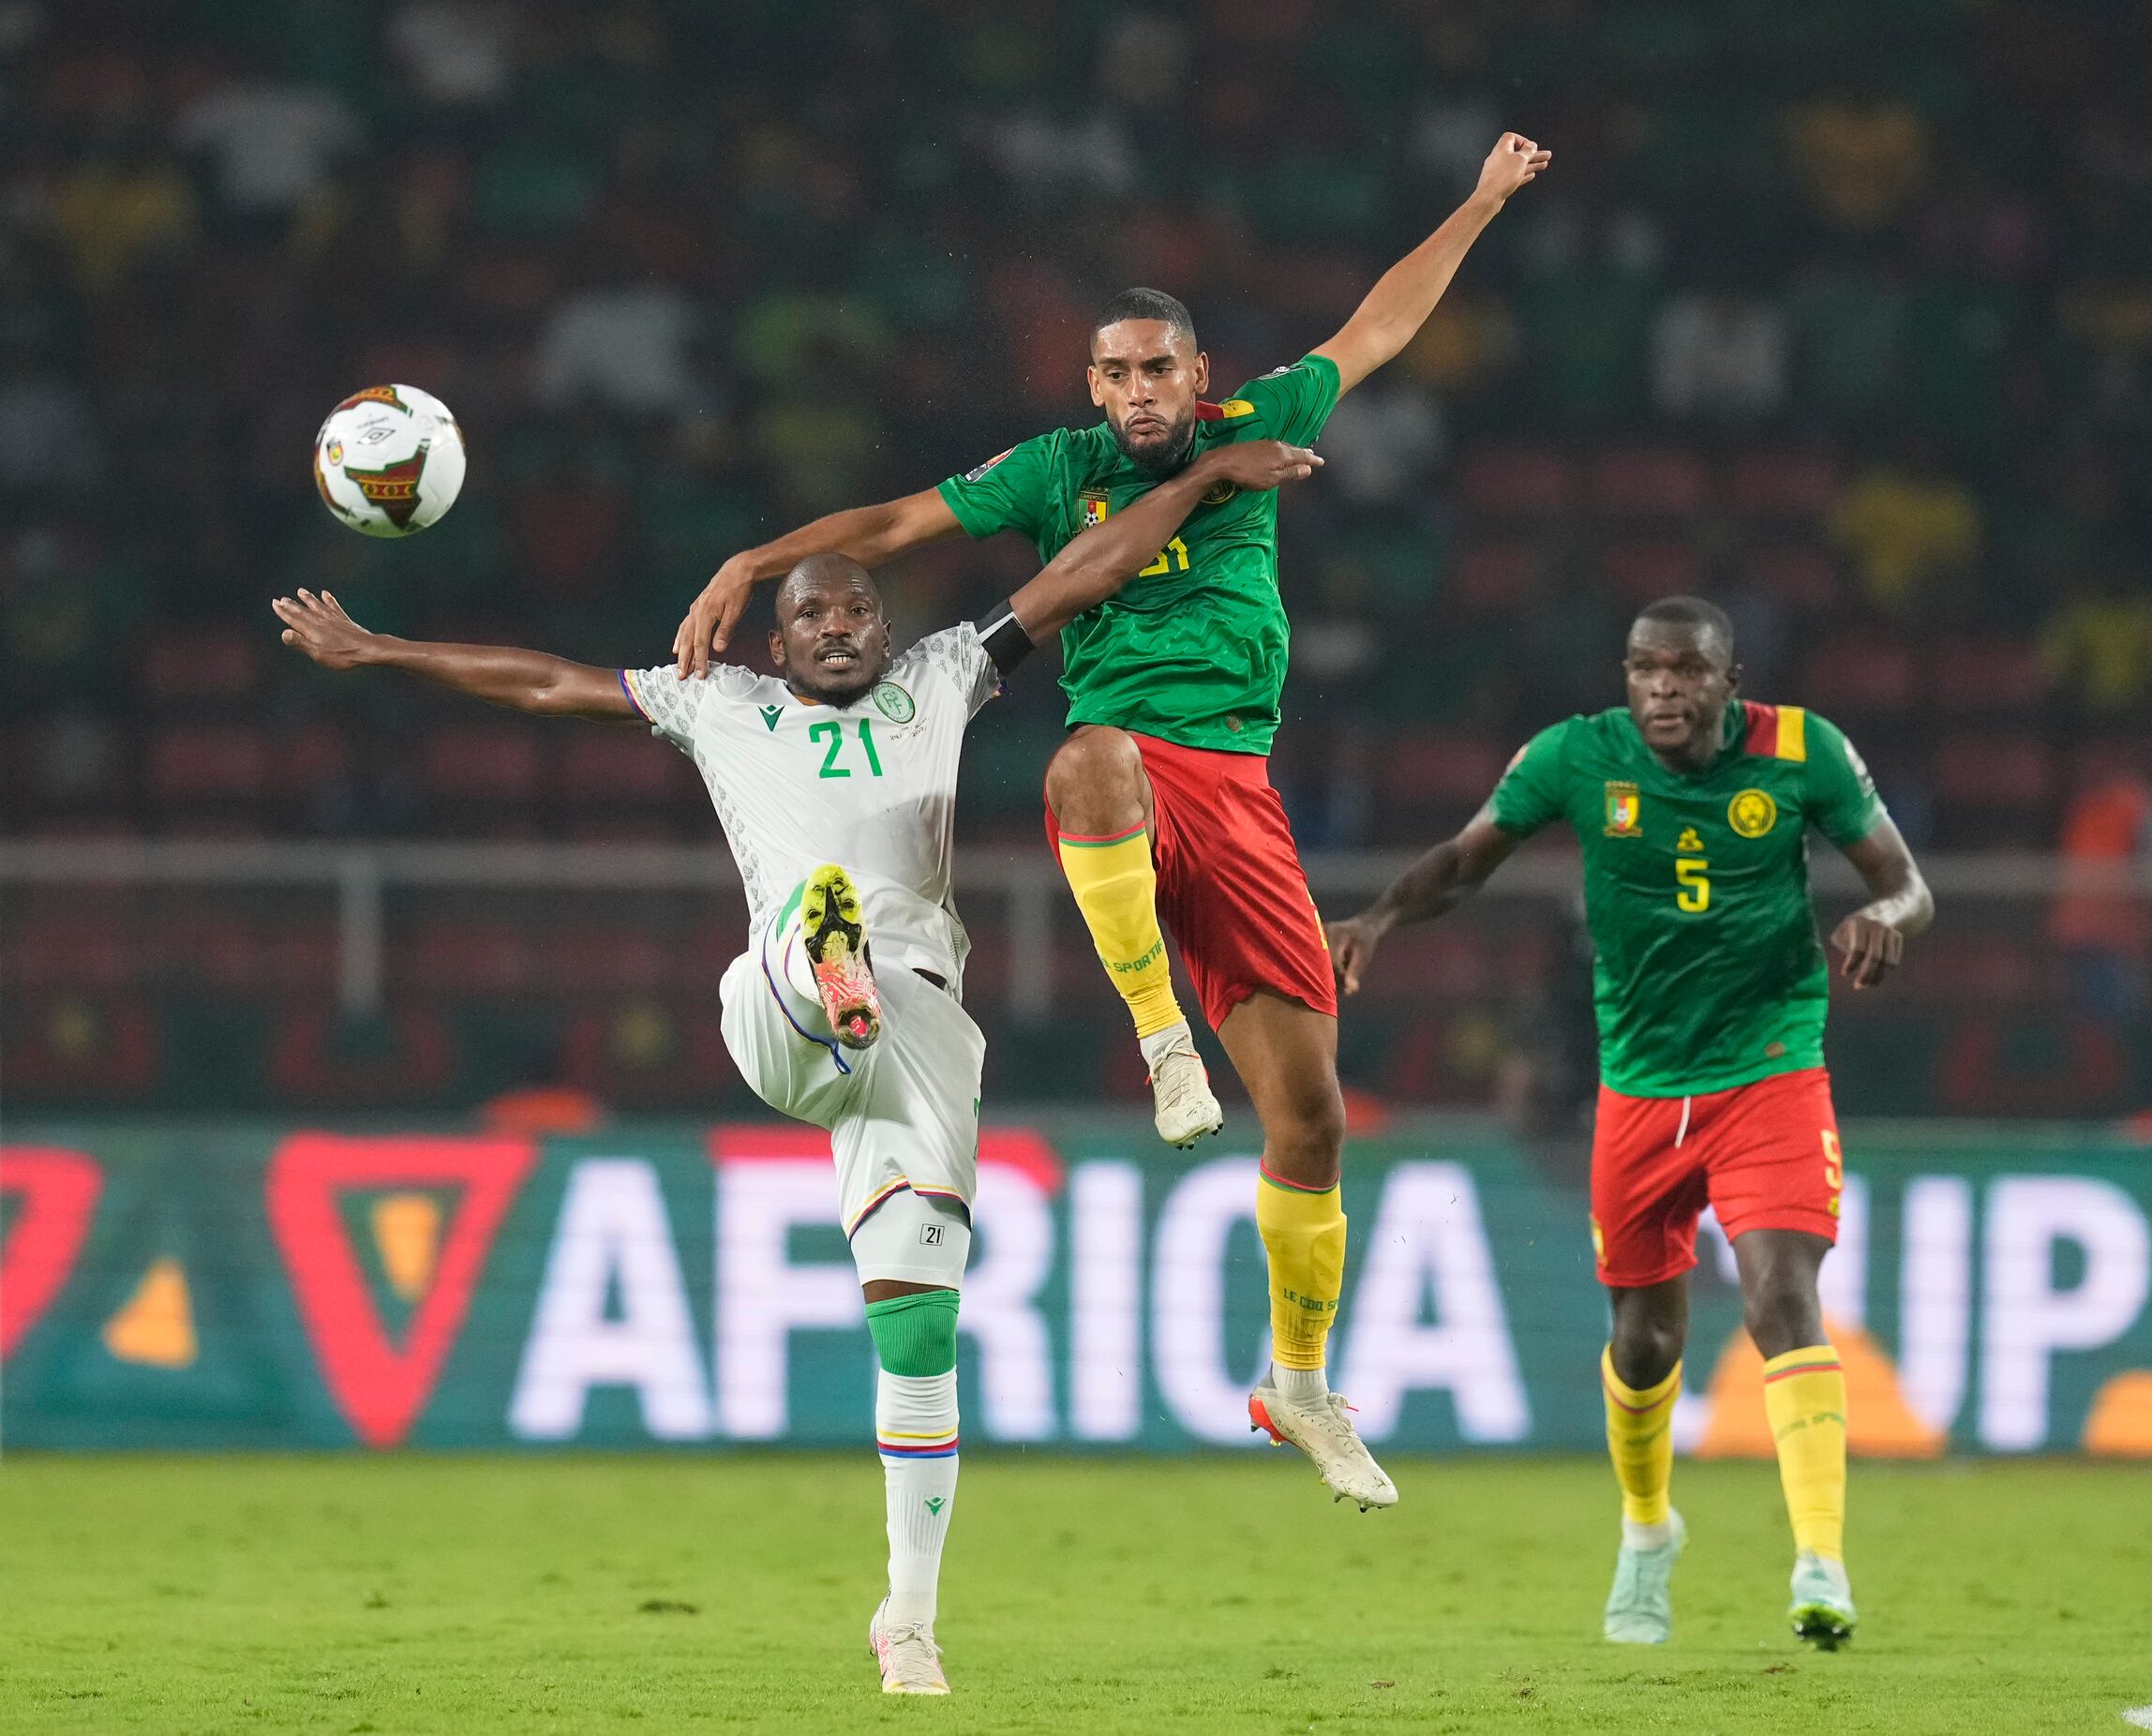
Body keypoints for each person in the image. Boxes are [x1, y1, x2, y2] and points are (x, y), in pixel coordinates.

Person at [274, 438, 1322, 1698]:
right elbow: (550, 686)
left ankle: (910, 1622)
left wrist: (1204, 486)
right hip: (783, 1002)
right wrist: (384, 652)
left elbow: (1083, 573)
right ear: (774, 645)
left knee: (922, 1331)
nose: (836, 623)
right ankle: (827, 970)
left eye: (856, 607)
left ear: (887, 627)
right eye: (809, 612)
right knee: (816, 918)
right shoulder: (724, 706)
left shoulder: (943, 679)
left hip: (920, 1034)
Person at [671, 132, 1553, 1509]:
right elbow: (899, 524)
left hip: (1242, 793)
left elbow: (1378, 323)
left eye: (1160, 369)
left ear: (1199, 378)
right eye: (1117, 372)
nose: (1139, 390)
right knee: (1086, 758)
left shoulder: (1263, 418)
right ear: (1092, 384)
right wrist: (753, 559)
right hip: (1131, 771)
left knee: (1312, 1119)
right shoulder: (1055, 468)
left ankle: (1301, 1387)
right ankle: (1160, 1043)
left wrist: (1483, 203)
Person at [1324, 596, 1934, 1650]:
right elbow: (1468, 858)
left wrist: (1883, 916)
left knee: (1779, 1295)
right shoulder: (1575, 756)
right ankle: (1648, 1528)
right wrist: (1376, 918)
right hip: (1641, 1088)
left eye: (1687, 670)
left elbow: (1906, 884)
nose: (1663, 688)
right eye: (1645, 668)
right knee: (1644, 1340)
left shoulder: (1804, 750)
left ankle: (1819, 1557)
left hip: (1769, 1070)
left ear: (1728, 682)